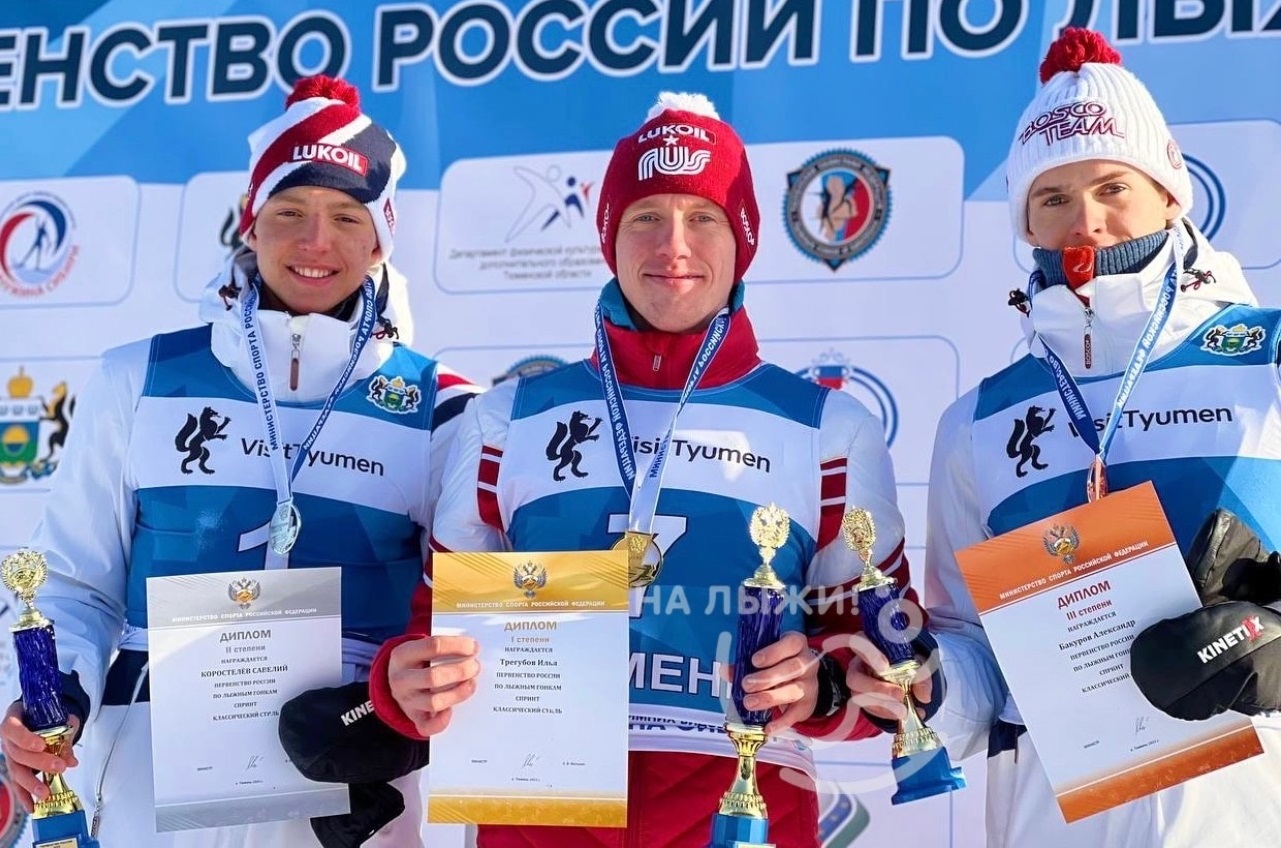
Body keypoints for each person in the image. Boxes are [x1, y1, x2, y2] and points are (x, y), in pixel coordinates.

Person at [367, 91, 943, 847]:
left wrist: (823, 688)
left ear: (742, 240)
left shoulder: (828, 429)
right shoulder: (507, 418)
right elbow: (435, 628)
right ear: (610, 236)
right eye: (645, 217)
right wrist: (405, 682)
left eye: (703, 217)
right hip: (537, 820)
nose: (673, 245)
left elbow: (888, 672)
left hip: (744, 818)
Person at [0, 75, 480, 847]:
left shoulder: (445, 410)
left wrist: (390, 702)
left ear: (379, 239)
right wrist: (49, 697)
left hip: (340, 796)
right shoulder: (139, 378)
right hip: (145, 798)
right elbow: (73, 583)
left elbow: (469, 623)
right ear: (250, 225)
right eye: (288, 211)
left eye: (345, 217)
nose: (314, 241)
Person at [925, 27, 1281, 848]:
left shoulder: (1264, 358)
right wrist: (922, 684)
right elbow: (972, 650)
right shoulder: (977, 421)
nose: (1084, 219)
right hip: (1052, 823)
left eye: (1112, 185)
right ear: (1025, 220)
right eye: (1051, 197)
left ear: (1170, 192)